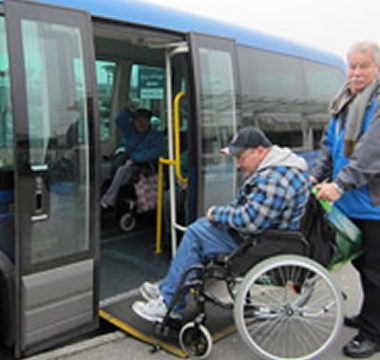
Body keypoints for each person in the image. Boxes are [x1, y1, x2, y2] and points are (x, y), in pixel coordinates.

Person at [132, 126, 311, 322]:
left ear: (259, 151)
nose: (237, 165)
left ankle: (169, 305)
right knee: (202, 229)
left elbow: (250, 221)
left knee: (195, 234)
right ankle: (168, 288)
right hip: (267, 236)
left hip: (259, 244)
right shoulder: (285, 168)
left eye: (240, 158)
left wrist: (217, 213)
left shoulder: (274, 180)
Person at [311, 41, 380, 358]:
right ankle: (370, 318)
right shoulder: (343, 102)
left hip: (374, 206)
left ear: (376, 68)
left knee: (375, 274)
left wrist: (340, 185)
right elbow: (329, 145)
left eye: (363, 66)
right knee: (360, 265)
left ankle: (372, 334)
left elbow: (371, 153)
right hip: (349, 206)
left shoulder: (377, 103)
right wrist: (316, 174)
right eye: (351, 66)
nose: (355, 72)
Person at [101, 107, 164, 209]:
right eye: (138, 121)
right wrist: (128, 110)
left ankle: (108, 199)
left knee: (122, 171)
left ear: (149, 121)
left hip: (143, 166)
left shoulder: (156, 136)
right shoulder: (130, 131)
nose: (141, 124)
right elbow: (119, 119)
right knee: (103, 168)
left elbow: (155, 152)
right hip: (124, 159)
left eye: (144, 120)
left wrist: (134, 159)